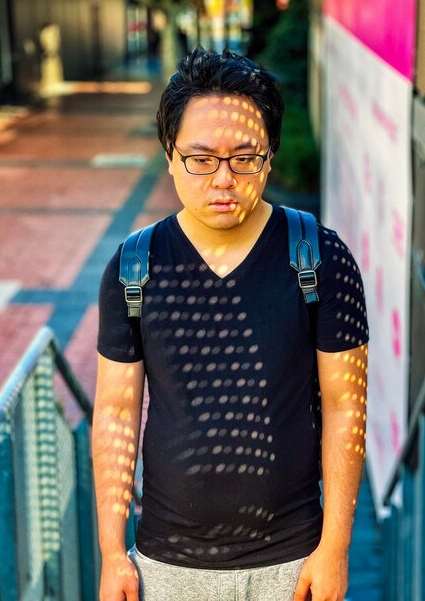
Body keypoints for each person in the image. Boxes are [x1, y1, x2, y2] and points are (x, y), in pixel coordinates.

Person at [92, 48, 369, 601]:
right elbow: (117, 412)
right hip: (167, 562)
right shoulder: (133, 267)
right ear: (170, 156)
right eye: (201, 158)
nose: (223, 179)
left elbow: (346, 406)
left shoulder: (320, 257)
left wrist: (335, 549)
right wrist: (112, 554)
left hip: (293, 559)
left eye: (244, 158)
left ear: (268, 159)